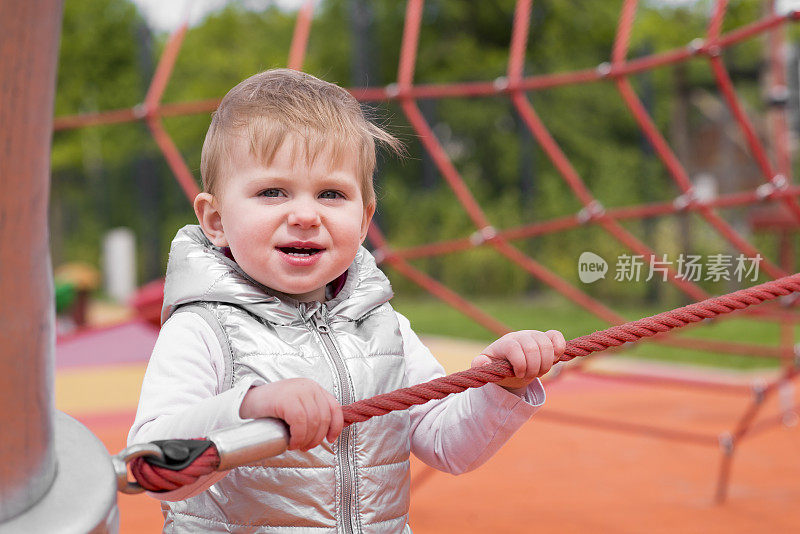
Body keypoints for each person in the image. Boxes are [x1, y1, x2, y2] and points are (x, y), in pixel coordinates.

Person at [128, 68, 566, 533]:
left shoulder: (381, 326)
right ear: (215, 220)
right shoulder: (205, 329)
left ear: (363, 220)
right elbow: (154, 465)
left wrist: (502, 385)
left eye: (331, 193)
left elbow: (446, 443)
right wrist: (248, 408)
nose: (304, 214)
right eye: (272, 192)